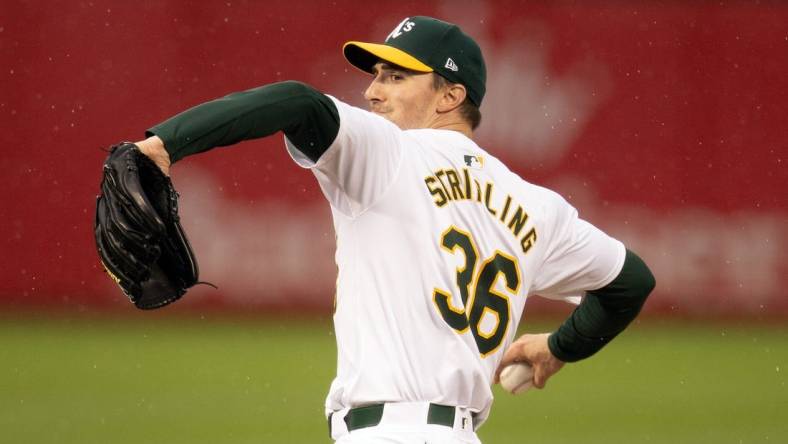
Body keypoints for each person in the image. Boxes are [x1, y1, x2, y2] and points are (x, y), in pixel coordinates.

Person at [132, 16, 655, 444]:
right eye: (377, 74)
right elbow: (629, 282)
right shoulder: (538, 207)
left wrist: (163, 146)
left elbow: (295, 102)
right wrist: (559, 347)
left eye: (396, 77)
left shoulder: (390, 153)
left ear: (450, 96)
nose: (373, 91)